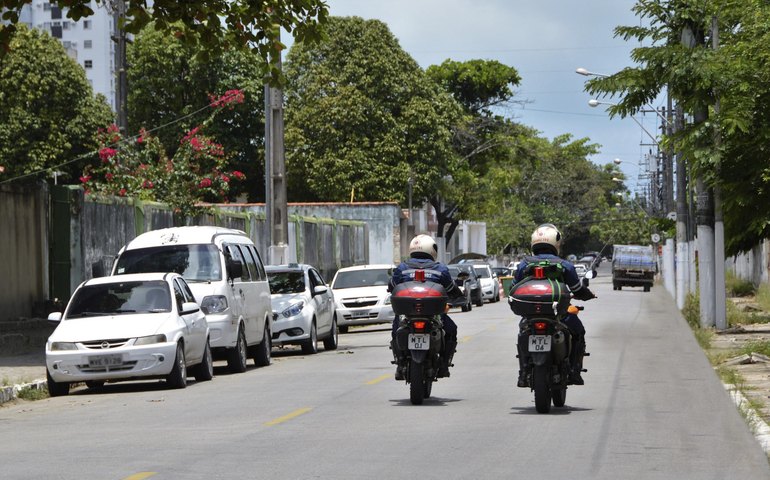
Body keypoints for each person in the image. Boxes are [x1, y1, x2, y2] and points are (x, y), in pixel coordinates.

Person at [513, 223, 595, 387]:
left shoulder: (524, 264)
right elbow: (577, 289)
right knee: (579, 332)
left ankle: (523, 373)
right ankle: (575, 371)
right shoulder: (565, 265)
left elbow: (514, 288)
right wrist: (588, 295)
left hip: (530, 316)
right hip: (560, 315)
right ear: (556, 243)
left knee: (522, 333)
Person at [389, 234, 460, 380]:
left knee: (396, 330)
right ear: (432, 249)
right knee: (451, 330)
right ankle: (444, 365)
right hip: (433, 314)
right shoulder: (440, 269)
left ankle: (400, 363)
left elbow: (391, 286)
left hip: (407, 314)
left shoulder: (402, 267)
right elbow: (451, 289)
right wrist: (460, 297)